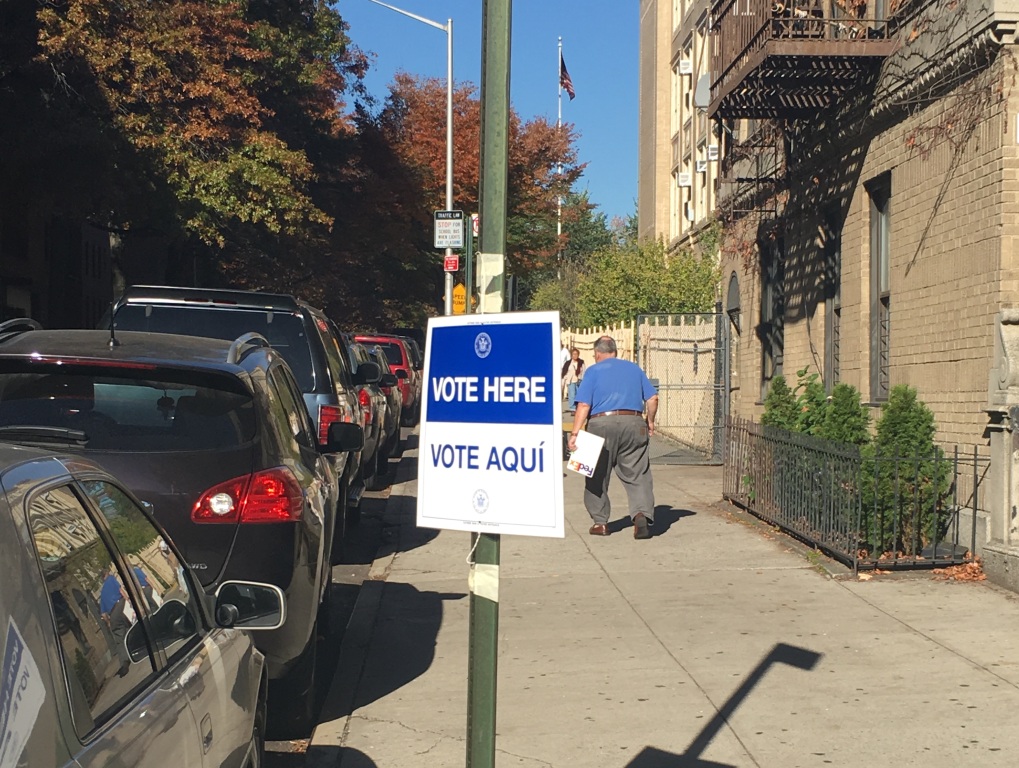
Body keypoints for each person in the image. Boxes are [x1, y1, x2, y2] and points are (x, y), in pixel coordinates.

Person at [567, 336, 659, 540]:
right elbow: (652, 398)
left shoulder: (592, 371)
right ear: (615, 351)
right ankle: (641, 514)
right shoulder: (634, 369)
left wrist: (575, 434)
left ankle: (600, 523)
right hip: (633, 422)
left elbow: (583, 405)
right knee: (638, 473)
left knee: (594, 473)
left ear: (597, 353)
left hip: (599, 424)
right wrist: (650, 421)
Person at [561, 348, 585, 413]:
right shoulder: (568, 363)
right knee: (572, 395)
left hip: (579, 381)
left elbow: (583, 371)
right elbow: (565, 371)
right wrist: (565, 378)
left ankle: (578, 407)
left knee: (578, 395)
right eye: (573, 354)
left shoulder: (581, 362)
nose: (575, 355)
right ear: (571, 355)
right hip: (570, 380)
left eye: (576, 354)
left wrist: (582, 378)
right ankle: (572, 409)